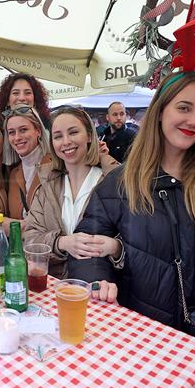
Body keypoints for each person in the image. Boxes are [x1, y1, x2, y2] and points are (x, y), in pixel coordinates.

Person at [68, 72, 195, 321]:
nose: (194, 121)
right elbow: (88, 247)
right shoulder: (119, 183)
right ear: (160, 110)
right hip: (143, 330)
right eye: (184, 108)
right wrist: (98, 281)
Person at [24, 106, 119, 278]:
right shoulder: (47, 186)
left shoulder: (113, 182)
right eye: (58, 136)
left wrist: (115, 247)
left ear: (90, 136)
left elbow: (135, 242)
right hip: (53, 288)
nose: (66, 141)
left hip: (100, 288)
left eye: (73, 132)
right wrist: (61, 242)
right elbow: (29, 238)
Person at [4, 105, 52, 220]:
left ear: (38, 131)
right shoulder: (13, 173)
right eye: (11, 132)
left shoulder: (57, 165)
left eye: (23, 130)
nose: (17, 137)